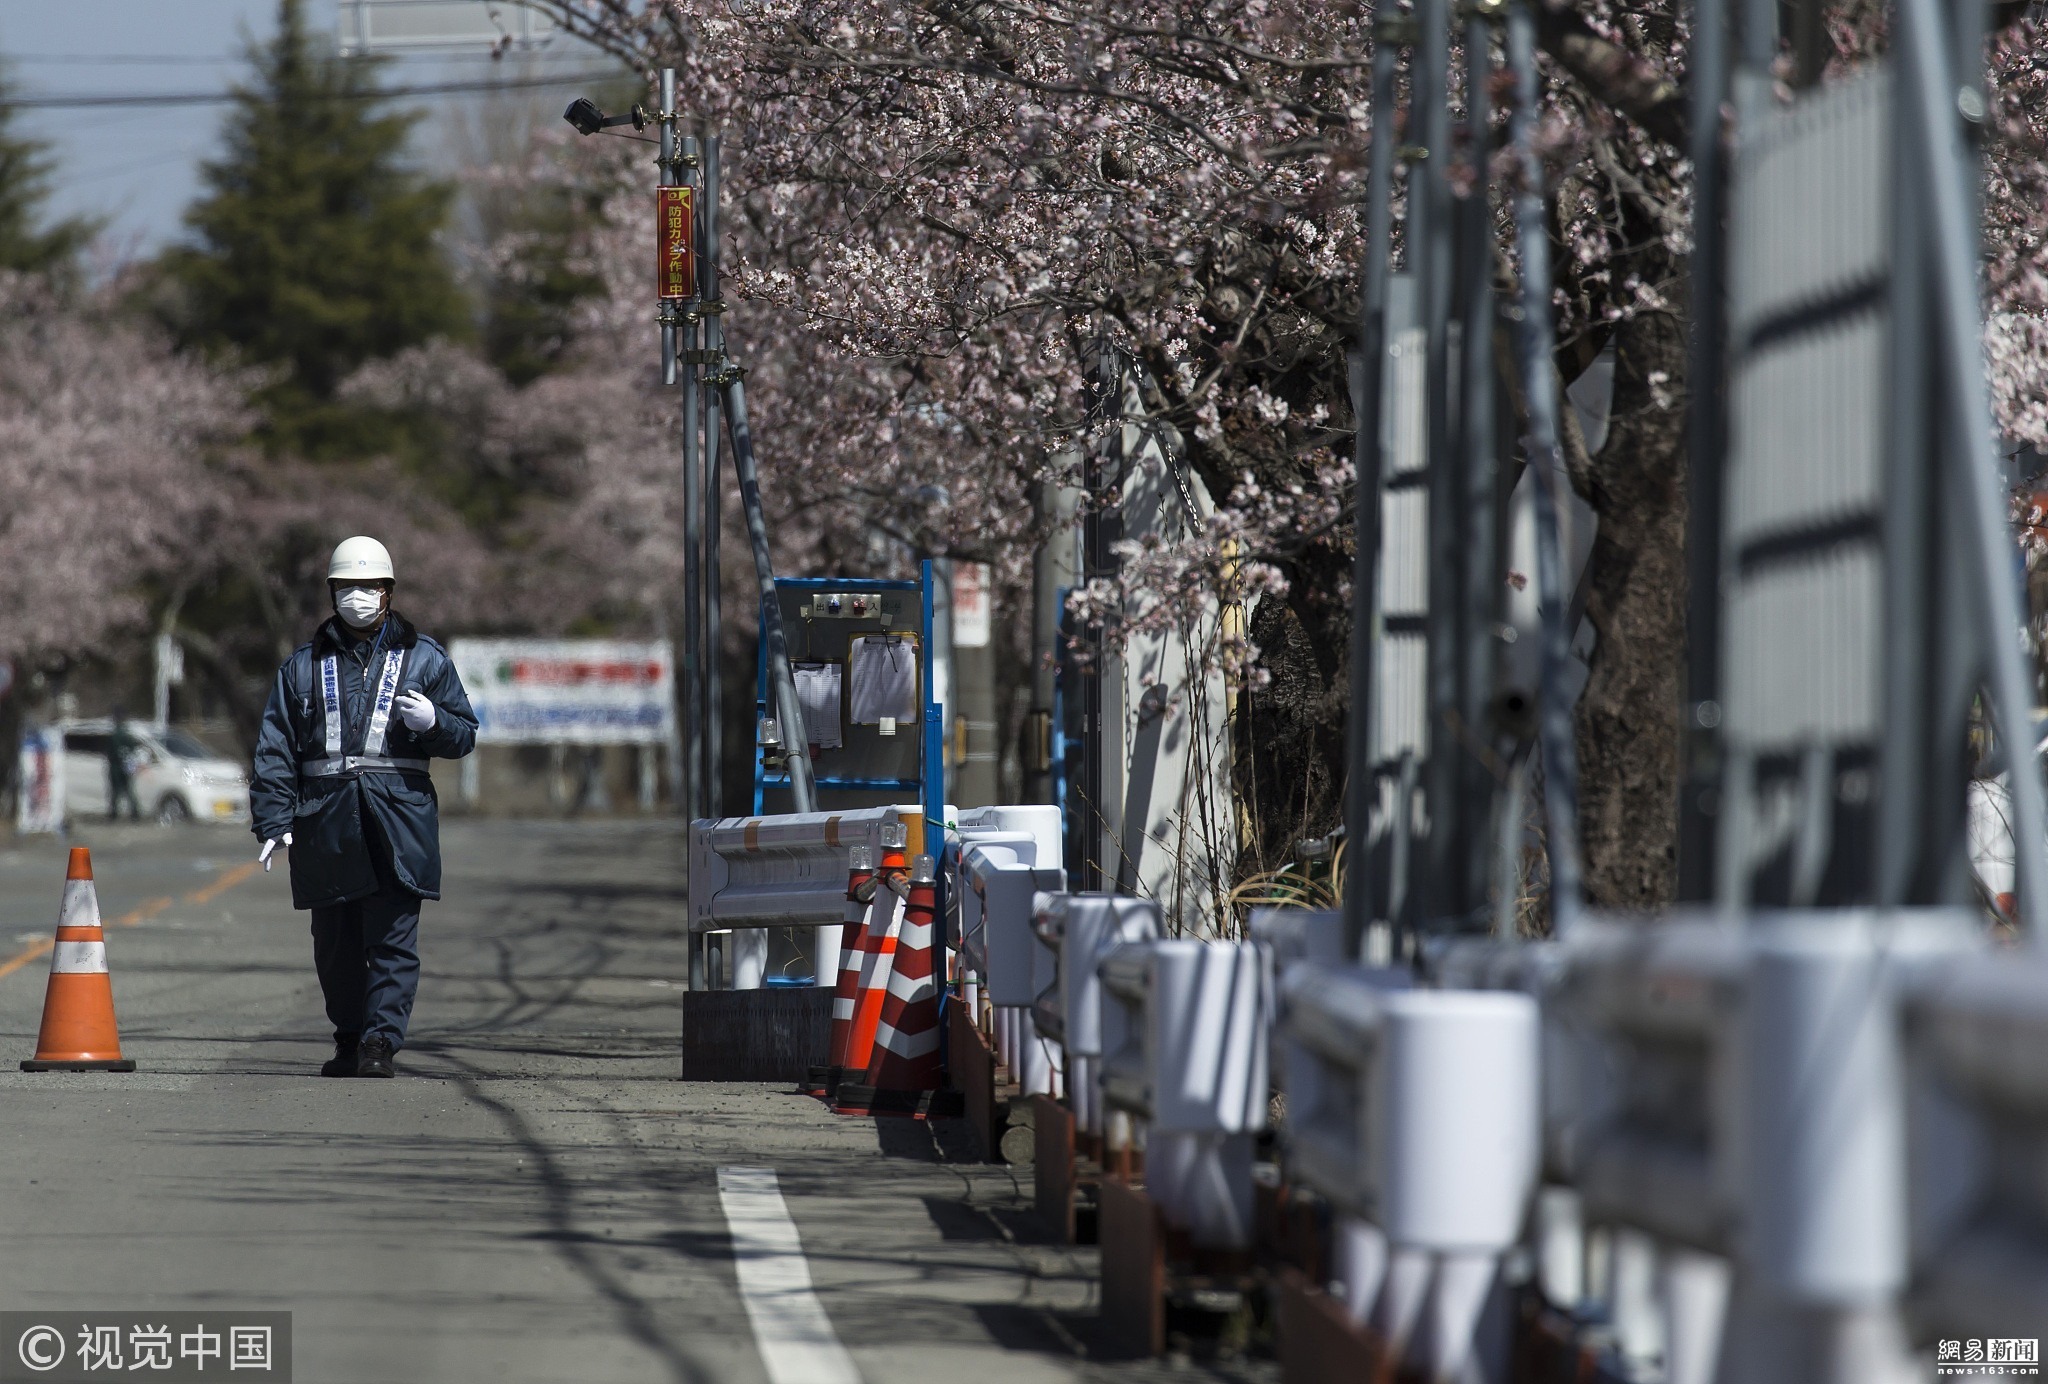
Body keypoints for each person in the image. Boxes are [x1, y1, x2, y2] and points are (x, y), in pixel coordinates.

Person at [249, 537, 477, 1078]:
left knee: (394, 939)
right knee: (335, 945)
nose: (359, 597)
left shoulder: (427, 660)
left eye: (369, 587)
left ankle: (380, 1041)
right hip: (325, 821)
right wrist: (274, 819)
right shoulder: (301, 668)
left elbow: (464, 735)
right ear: (332, 593)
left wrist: (436, 724)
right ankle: (349, 1037)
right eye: (348, 587)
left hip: (399, 823)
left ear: (389, 592)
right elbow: (275, 747)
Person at [107, 710, 143, 822]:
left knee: (115, 791)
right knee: (129, 790)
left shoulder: (114, 735)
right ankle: (135, 813)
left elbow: (109, 752)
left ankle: (113, 814)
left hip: (115, 766)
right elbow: (135, 747)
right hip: (127, 765)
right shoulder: (127, 735)